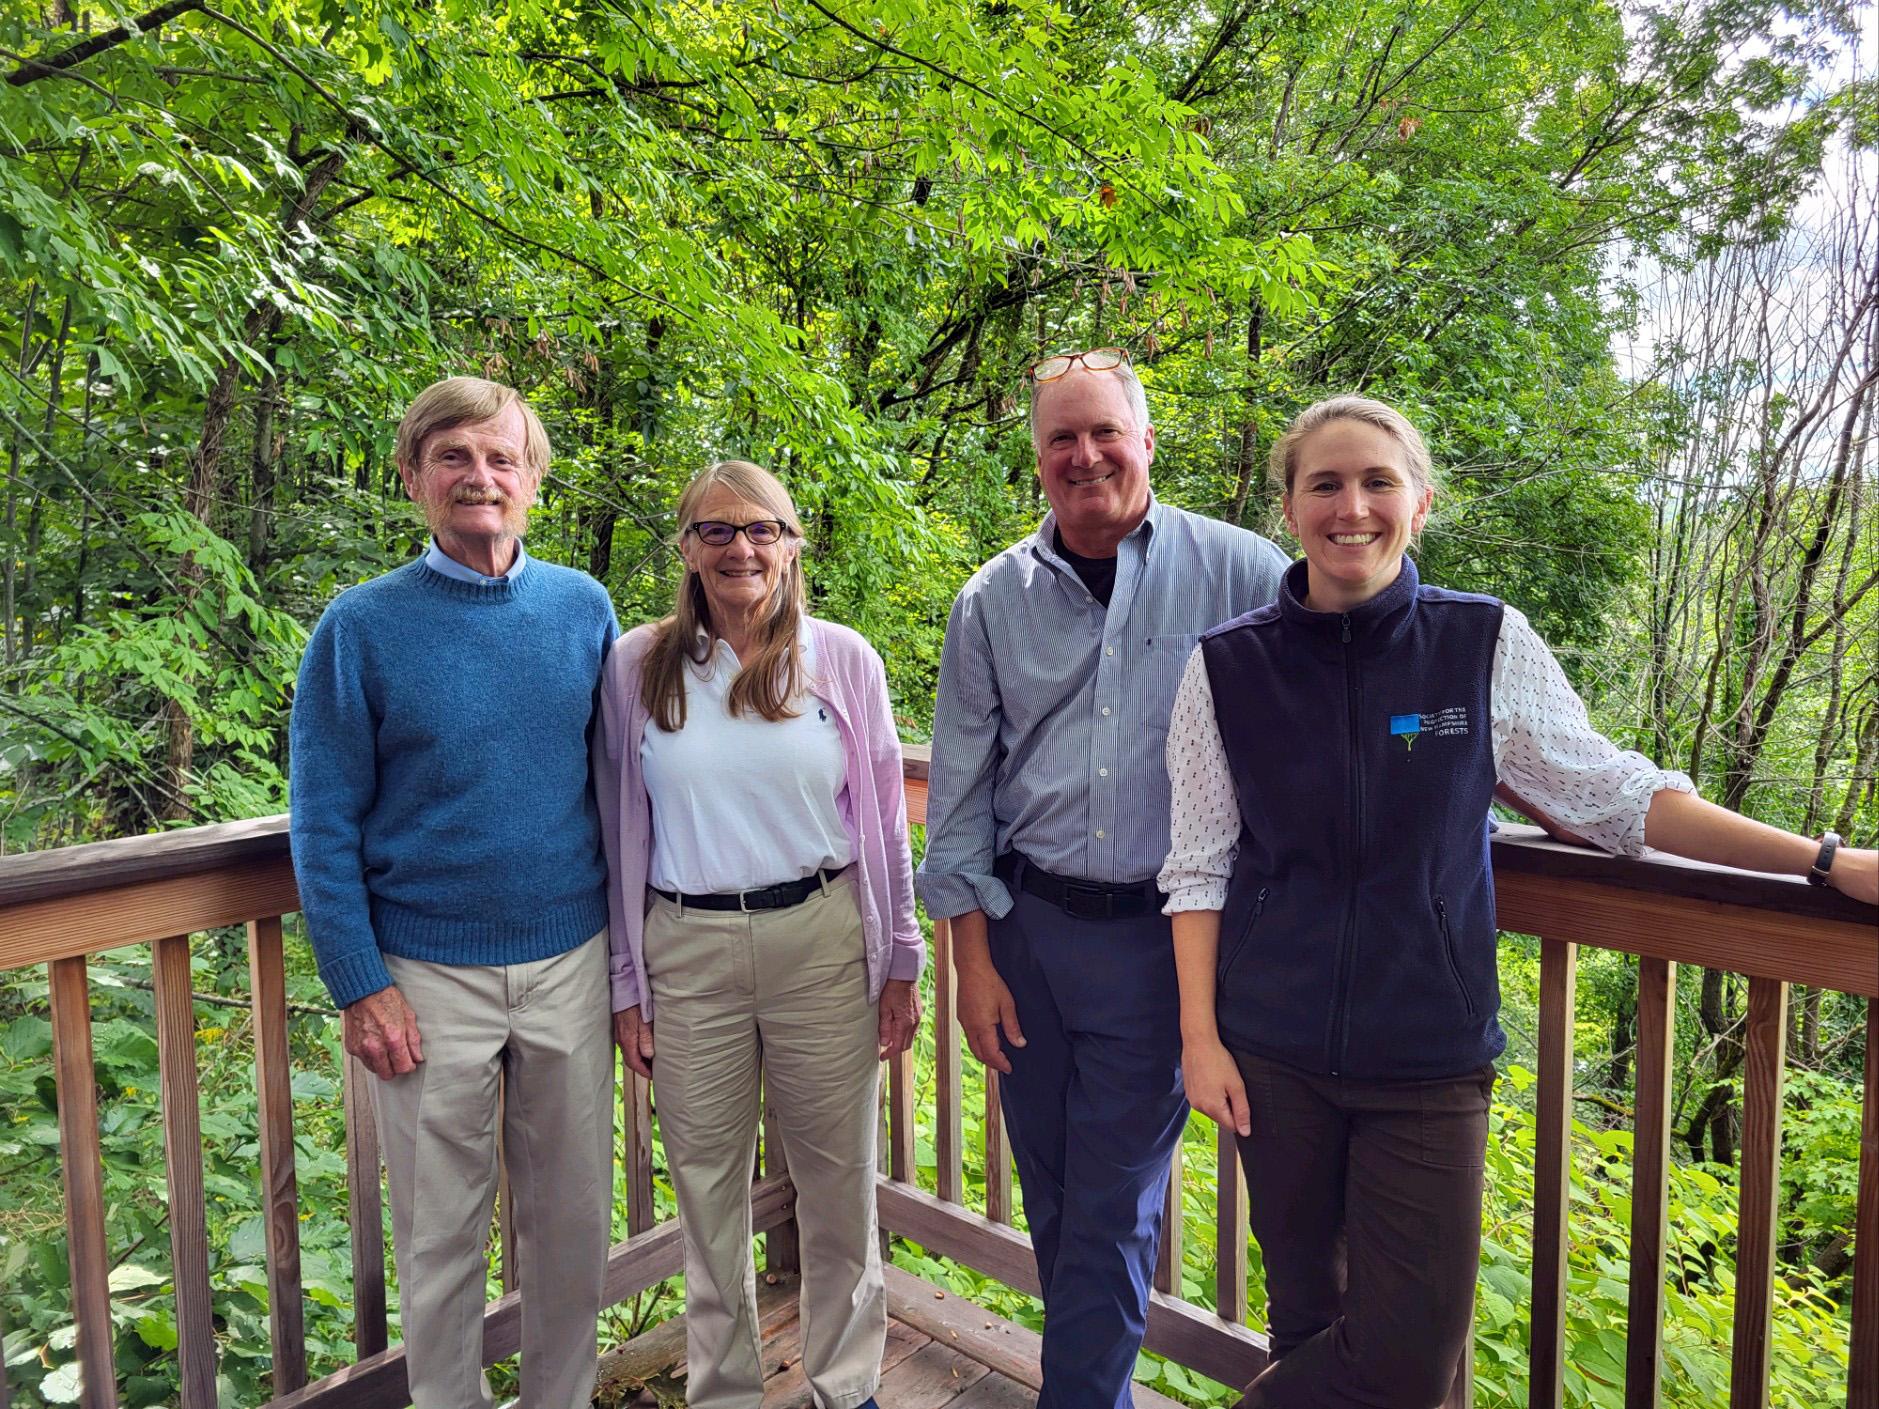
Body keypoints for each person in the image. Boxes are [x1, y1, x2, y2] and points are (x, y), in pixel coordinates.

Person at [1161, 394, 1879, 1409]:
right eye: (1323, 482)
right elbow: (1197, 864)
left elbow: (1617, 794)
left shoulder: (1480, 643)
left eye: (1377, 481)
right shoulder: (1226, 668)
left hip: (1426, 1057)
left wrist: (1820, 858)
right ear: (1289, 507)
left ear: (1420, 502)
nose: (1350, 505)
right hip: (1270, 1056)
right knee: (1309, 1328)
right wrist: (1201, 1037)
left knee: (1404, 1358)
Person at [917, 348, 1291, 1409]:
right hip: (1027, 933)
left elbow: (1338, 695)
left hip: (1160, 941)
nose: (1085, 455)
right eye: (1060, 438)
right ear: (1037, 458)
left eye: (1103, 432)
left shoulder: (1244, 572)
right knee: (1054, 1191)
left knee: (1113, 1206)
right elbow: (959, 798)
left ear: (1146, 441)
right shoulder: (990, 599)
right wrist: (971, 966)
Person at [289, 376, 619, 1409]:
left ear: (533, 482)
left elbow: (621, 785)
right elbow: (322, 817)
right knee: (439, 1236)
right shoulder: (361, 627)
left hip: (571, 955)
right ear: (414, 477)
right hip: (425, 978)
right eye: (455, 458)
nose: (481, 476)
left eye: (502, 458)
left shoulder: (583, 608)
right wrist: (358, 979)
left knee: (570, 1226)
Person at [595, 459, 922, 1409]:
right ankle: (726, 1390)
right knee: (705, 1186)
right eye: (717, 531)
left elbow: (884, 820)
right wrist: (626, 978)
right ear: (688, 550)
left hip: (821, 939)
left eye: (762, 529)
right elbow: (620, 827)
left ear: (792, 544)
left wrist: (901, 955)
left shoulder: (843, 659)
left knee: (837, 1180)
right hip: (686, 947)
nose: (741, 548)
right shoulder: (638, 664)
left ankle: (845, 1384)